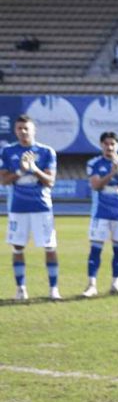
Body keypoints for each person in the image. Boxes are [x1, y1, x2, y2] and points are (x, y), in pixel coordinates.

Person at [0, 115, 59, 300]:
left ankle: (53, 289)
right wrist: (20, 170)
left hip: (42, 207)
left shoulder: (47, 152)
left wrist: (34, 168)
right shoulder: (7, 151)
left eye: (26, 128)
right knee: (17, 247)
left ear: (34, 130)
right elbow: (3, 180)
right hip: (18, 207)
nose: (23, 131)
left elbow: (50, 181)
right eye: (20, 128)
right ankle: (21, 289)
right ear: (15, 131)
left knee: (50, 247)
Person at [83, 131, 118, 297]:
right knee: (95, 249)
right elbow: (96, 185)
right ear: (101, 145)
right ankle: (91, 285)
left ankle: (116, 284)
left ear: (117, 145)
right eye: (106, 144)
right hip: (100, 213)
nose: (109, 147)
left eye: (112, 144)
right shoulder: (94, 163)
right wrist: (111, 173)